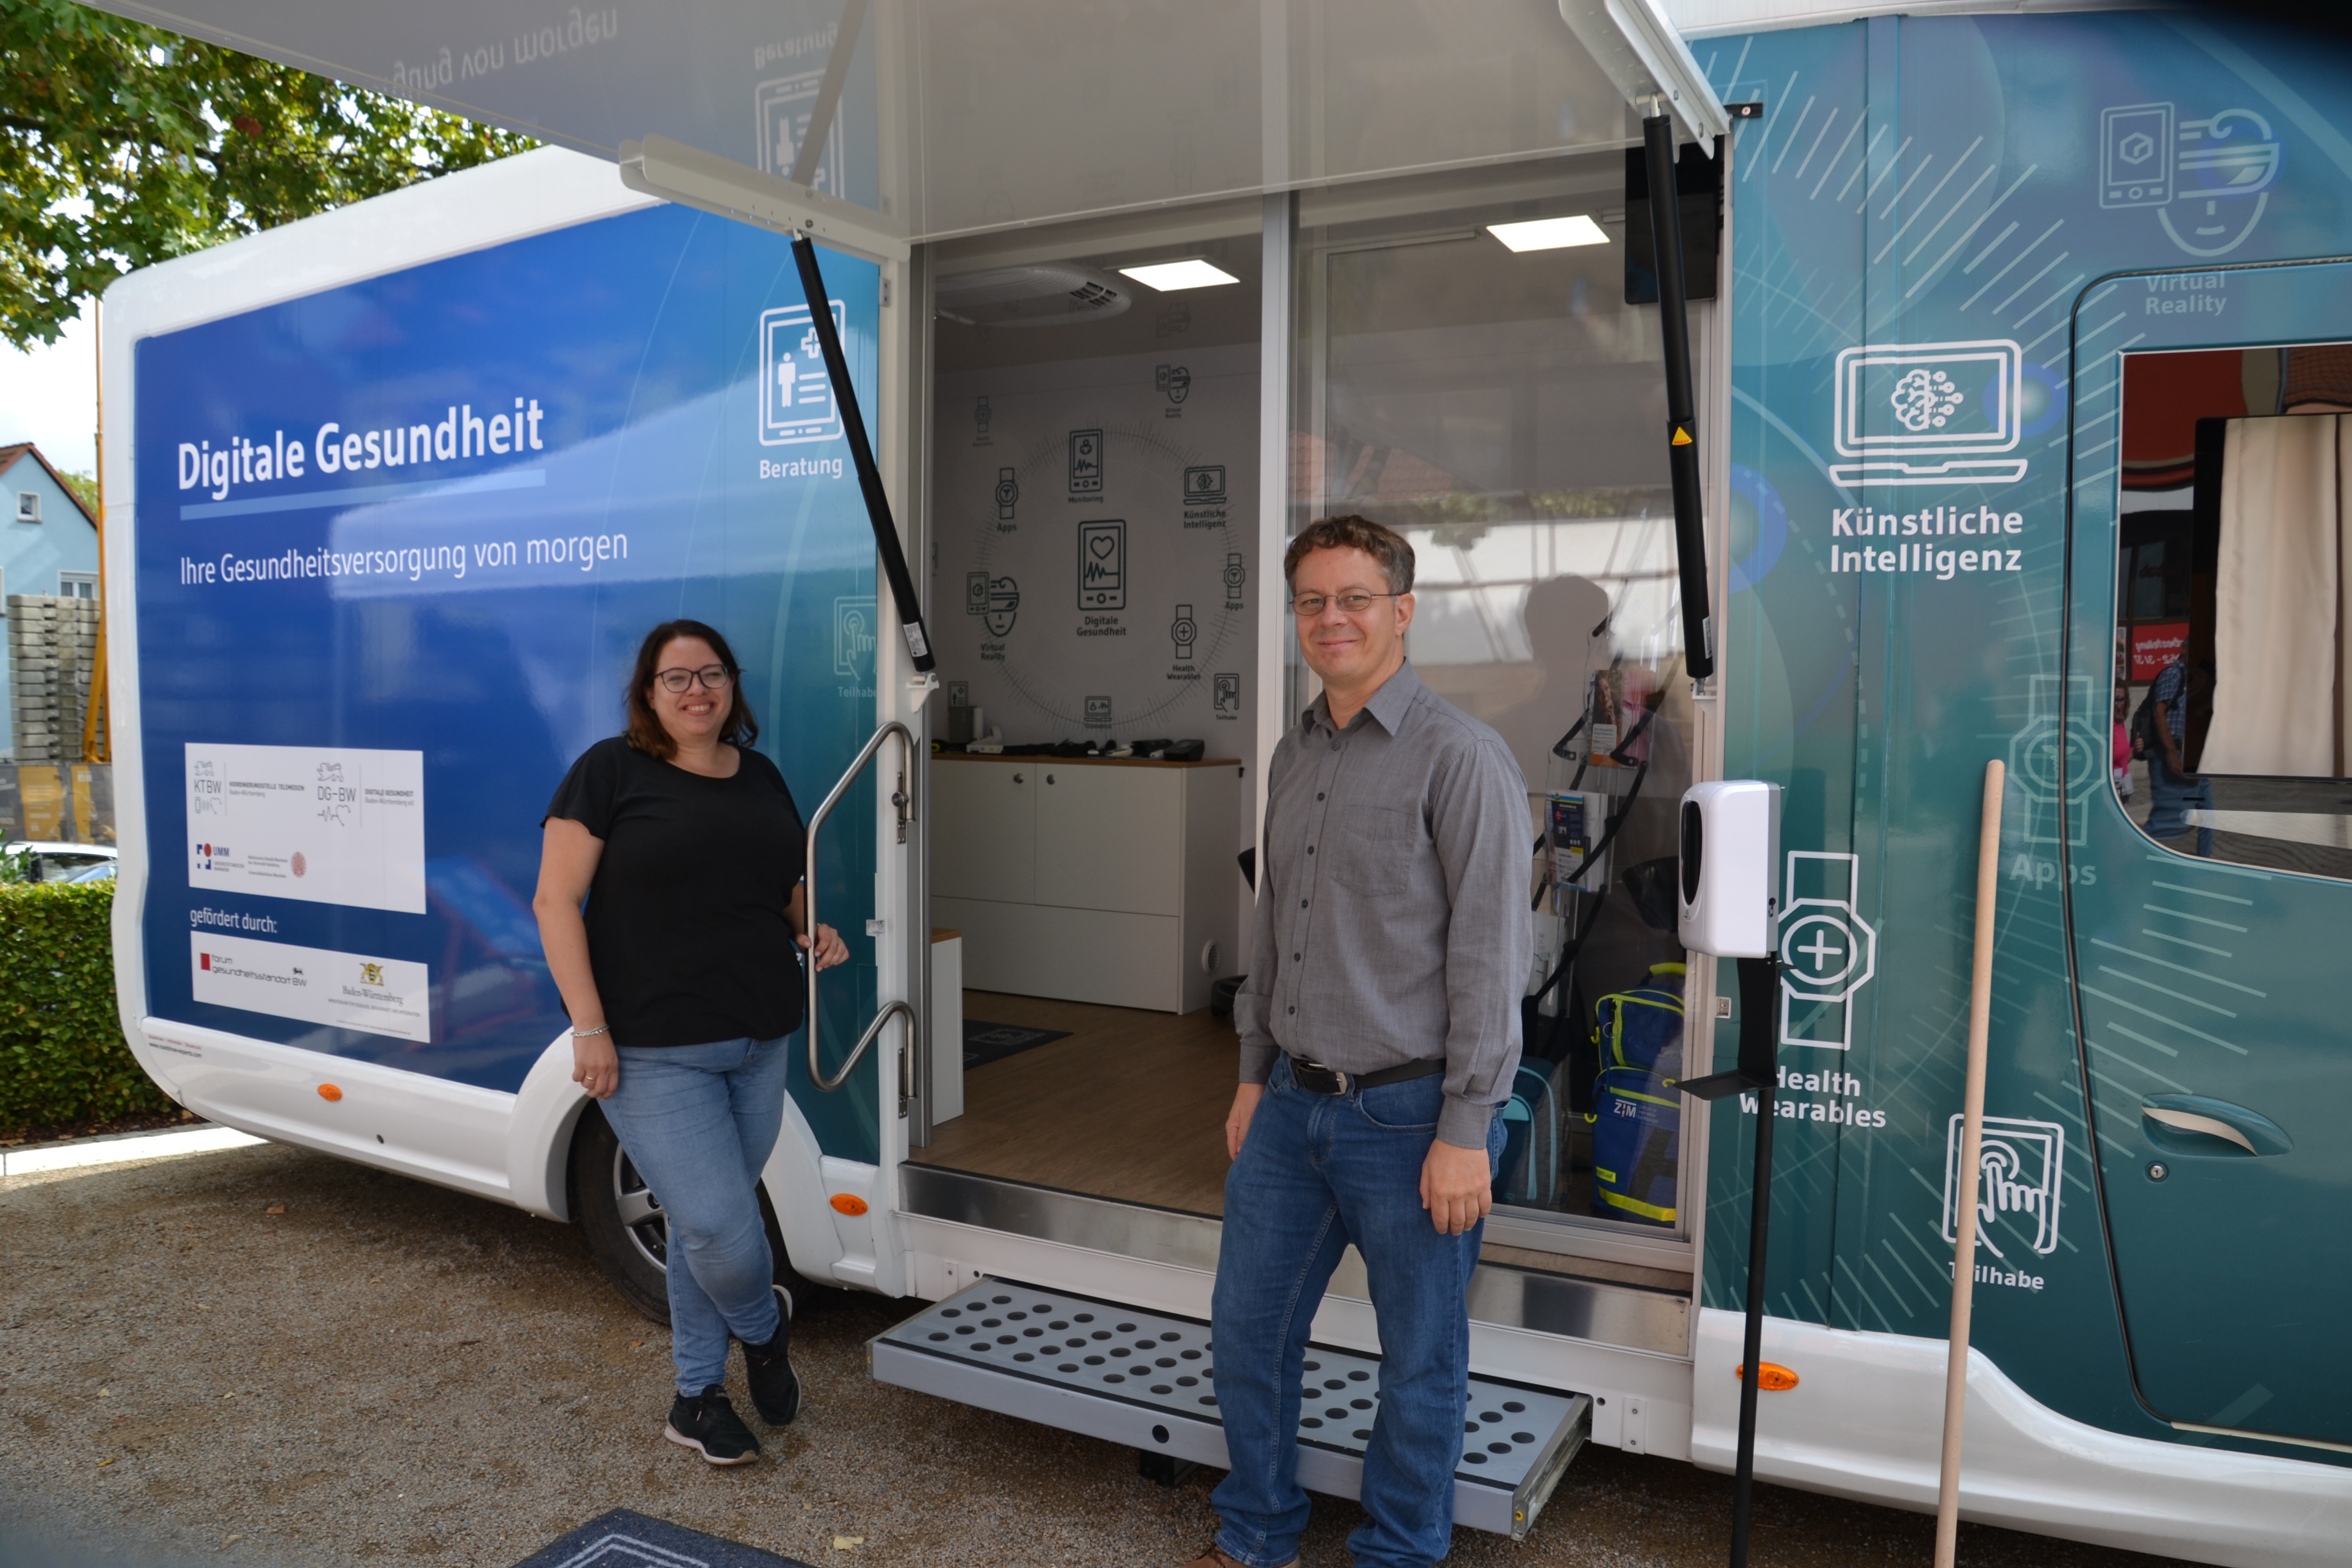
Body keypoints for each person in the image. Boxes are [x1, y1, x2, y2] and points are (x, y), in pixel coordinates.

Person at [1193, 517, 1532, 1568]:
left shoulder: (1461, 757)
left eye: (1354, 598)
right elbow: (1272, 924)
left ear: (1403, 610)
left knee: (1420, 1358)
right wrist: (1252, 1075)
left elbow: (1490, 952)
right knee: (1249, 1333)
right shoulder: (1297, 749)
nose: (1331, 618)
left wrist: (1468, 1124)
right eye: (1312, 601)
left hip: (1411, 1116)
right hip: (1292, 1106)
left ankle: (1399, 1549)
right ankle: (1254, 1531)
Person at [533, 619, 848, 1467]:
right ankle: (765, 1328)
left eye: (711, 674)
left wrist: (808, 923)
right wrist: (589, 1027)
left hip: (758, 1033)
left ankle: (695, 1399)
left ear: (731, 687)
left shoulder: (761, 775)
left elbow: (776, 876)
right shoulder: (610, 772)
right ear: (647, 693)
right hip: (651, 1045)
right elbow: (555, 903)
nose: (697, 690)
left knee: (702, 1232)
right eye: (676, 678)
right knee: (720, 1222)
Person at [2142, 656, 2215, 857]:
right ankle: (2133, 854)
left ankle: (2204, 862)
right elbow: (2159, 712)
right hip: (2171, 753)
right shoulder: (2173, 674)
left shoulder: (2190, 680)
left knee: (2208, 816)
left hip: (2191, 756)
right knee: (2168, 823)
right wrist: (2172, 753)